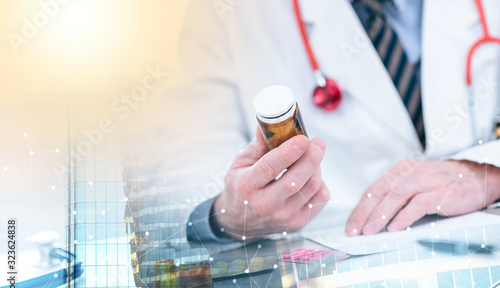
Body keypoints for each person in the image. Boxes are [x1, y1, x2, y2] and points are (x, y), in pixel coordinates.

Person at [159, 0, 500, 243]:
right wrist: (229, 214)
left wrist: (487, 173)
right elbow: (183, 163)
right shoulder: (223, 11)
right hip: (338, 286)